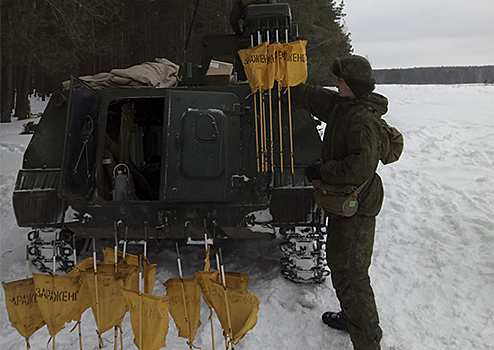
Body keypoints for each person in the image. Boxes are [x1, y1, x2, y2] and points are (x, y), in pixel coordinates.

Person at [292, 55, 387, 350]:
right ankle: (353, 318)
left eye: (339, 80)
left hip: (357, 206)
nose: (334, 82)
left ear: (353, 85)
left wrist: (322, 170)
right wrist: (282, 80)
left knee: (351, 273)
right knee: (341, 264)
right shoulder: (343, 105)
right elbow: (312, 97)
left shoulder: (363, 121)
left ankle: (367, 340)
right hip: (346, 203)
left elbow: (359, 169)